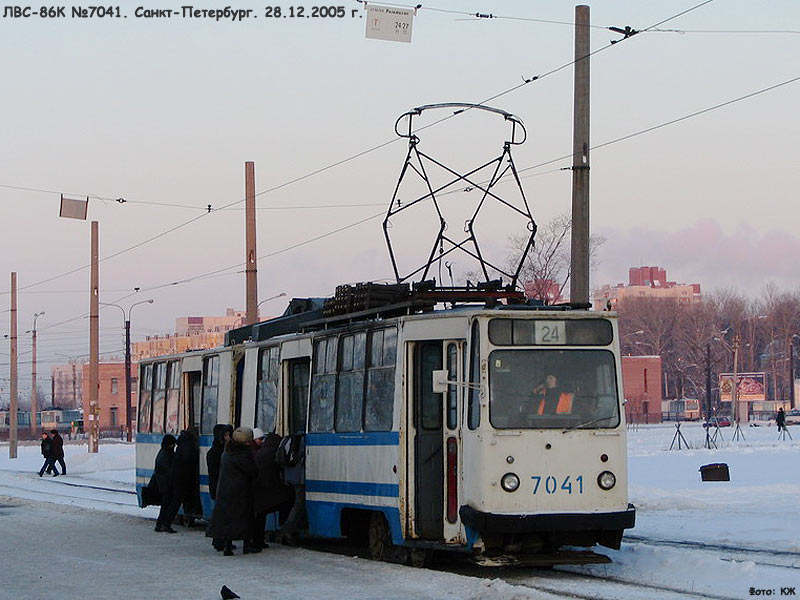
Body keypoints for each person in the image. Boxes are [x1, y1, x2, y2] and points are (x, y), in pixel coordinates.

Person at [206, 427, 259, 556]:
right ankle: (247, 545)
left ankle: (227, 547)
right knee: (245, 518)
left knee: (228, 520)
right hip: (240, 492)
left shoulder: (227, 452)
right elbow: (252, 471)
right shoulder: (242, 455)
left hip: (225, 491)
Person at [251, 431, 294, 551]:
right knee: (288, 499)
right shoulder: (273, 453)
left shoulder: (260, 452)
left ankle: (258, 541)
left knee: (260, 517)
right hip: (268, 491)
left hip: (259, 491)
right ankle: (283, 525)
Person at [159, 427, 200, 530]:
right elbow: (188, 462)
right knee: (174, 502)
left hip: (177, 477)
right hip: (182, 478)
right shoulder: (189, 445)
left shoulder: (183, 443)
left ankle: (161, 524)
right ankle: (166, 524)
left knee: (169, 503)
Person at [207, 423, 233, 552]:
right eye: (226, 435)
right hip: (218, 487)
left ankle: (220, 540)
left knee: (222, 515)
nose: (228, 437)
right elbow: (215, 472)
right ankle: (218, 540)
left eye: (229, 435)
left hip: (221, 487)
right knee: (221, 516)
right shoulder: (215, 452)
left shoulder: (223, 450)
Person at [153, 434, 177, 533]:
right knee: (167, 505)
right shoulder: (166, 455)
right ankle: (164, 525)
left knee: (165, 505)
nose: (174, 447)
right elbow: (169, 471)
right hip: (166, 485)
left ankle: (160, 524)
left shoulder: (163, 453)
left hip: (164, 484)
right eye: (173, 445)